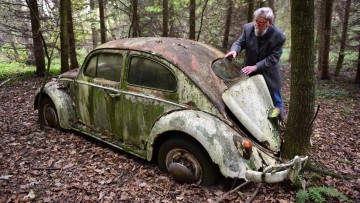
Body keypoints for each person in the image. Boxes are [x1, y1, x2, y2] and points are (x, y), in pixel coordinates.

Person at [225, 7, 286, 118]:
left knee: (276, 103)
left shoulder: (279, 36)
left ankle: (279, 123)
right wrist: (234, 50)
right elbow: (240, 42)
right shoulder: (248, 28)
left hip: (269, 75)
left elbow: (273, 58)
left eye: (260, 22)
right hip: (249, 73)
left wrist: (256, 67)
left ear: (269, 22)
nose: (256, 24)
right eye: (255, 20)